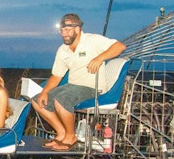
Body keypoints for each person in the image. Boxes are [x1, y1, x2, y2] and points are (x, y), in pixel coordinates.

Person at [32, 13, 126, 151]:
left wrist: (100, 58)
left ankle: (71, 137)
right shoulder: (63, 50)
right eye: (62, 30)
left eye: (68, 30)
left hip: (92, 88)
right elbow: (56, 76)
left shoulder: (92, 40)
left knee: (62, 99)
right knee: (37, 100)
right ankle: (61, 133)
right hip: (72, 86)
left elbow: (120, 46)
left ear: (77, 29)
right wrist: (44, 92)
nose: (64, 34)